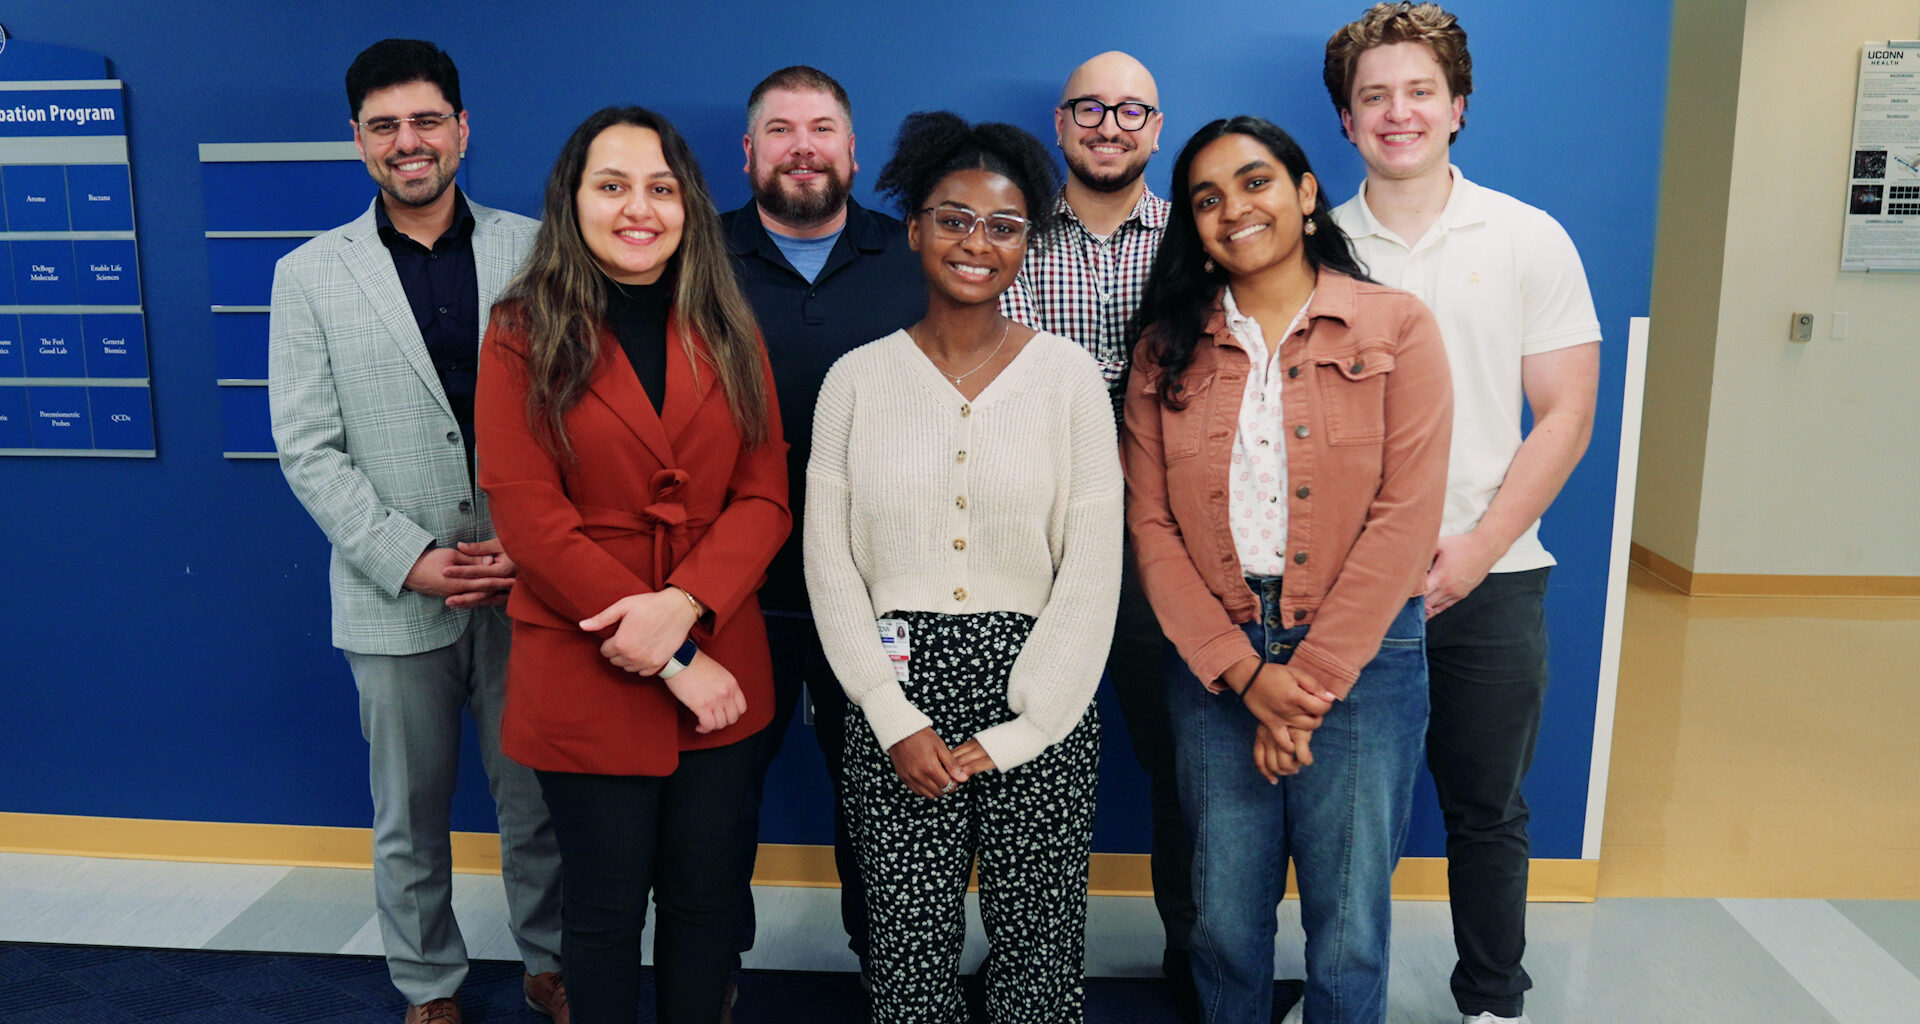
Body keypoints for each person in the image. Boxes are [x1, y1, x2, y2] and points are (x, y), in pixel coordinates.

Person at [1122, 116, 1452, 1024]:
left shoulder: (1397, 326)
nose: (1235, 209)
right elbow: (1150, 526)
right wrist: (1245, 675)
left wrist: (1299, 685)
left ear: (1306, 194)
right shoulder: (1164, 350)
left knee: (1348, 925)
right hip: (1216, 656)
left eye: (1256, 182)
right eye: (1207, 198)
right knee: (1223, 919)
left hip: (1363, 657)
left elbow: (1407, 515)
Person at [267, 38, 564, 1024]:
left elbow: (580, 411)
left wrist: (540, 543)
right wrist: (412, 558)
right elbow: (308, 449)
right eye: (385, 125)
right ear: (357, 141)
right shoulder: (309, 276)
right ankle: (429, 985)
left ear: (462, 128)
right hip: (395, 593)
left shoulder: (539, 249)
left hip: (532, 582)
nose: (410, 141)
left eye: (427, 120)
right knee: (408, 818)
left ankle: (552, 965)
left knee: (538, 807)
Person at [804, 111, 1122, 1024]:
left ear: (1029, 241)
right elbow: (830, 563)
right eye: (952, 218)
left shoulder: (1068, 382)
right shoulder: (856, 381)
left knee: (1039, 946)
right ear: (913, 228)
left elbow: (1093, 568)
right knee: (904, 951)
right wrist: (892, 715)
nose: (976, 242)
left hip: (1042, 692)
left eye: (1003, 225)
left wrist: (1028, 729)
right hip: (894, 696)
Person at [473, 106, 788, 1024]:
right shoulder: (520, 329)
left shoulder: (729, 325)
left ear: (689, 201)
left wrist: (685, 609)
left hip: (721, 648)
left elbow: (765, 496)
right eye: (611, 186)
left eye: (659, 187)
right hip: (589, 660)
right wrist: (673, 654)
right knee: (603, 916)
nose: (637, 207)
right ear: (573, 202)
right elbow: (529, 517)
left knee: (704, 908)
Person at [1324, 7, 1601, 1023]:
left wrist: (1477, 550)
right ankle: (1340, 995)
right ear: (1348, 122)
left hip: (1494, 573)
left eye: (1418, 91)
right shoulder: (1314, 244)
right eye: (1373, 96)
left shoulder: (1529, 236)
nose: (1398, 113)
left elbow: (1566, 413)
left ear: (1458, 108)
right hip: (1341, 583)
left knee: (1488, 808)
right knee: (1342, 821)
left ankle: (1491, 997)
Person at [996, 51, 1198, 1010]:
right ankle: (1026, 966)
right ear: (1060, 119)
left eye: (1131, 111)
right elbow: (1011, 383)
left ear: (1157, 129)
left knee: (1186, 765)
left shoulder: (1200, 233)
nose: (1110, 125)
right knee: (1026, 757)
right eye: (1090, 108)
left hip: (1177, 545)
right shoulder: (1011, 232)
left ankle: (1198, 962)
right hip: (1034, 540)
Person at [720, 65, 926, 989]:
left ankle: (892, 980)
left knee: (886, 809)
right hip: (729, 594)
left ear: (851, 147)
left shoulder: (918, 257)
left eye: (821, 128)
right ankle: (707, 978)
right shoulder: (694, 257)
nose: (802, 145)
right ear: (749, 150)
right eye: (779, 129)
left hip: (886, 593)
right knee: (715, 809)